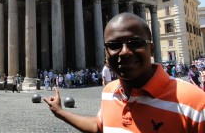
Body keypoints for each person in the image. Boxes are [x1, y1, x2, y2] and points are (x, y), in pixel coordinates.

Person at [44, 13, 205, 132]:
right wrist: (60, 112)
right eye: (114, 45)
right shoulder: (110, 91)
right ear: (105, 53)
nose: (124, 52)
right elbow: (100, 126)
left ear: (152, 49)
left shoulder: (196, 104)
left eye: (135, 43)